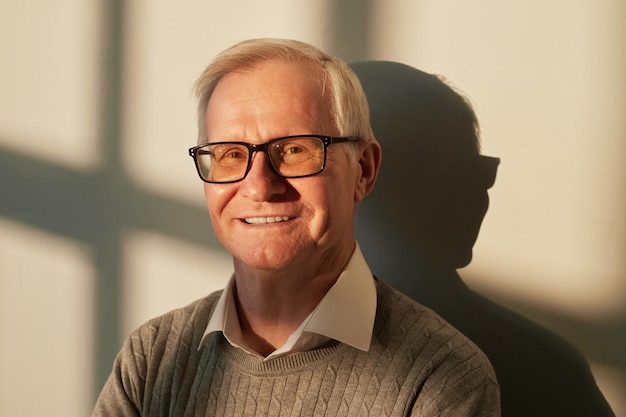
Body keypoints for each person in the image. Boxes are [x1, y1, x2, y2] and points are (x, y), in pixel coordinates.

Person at [92, 39, 500, 416]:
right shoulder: (152, 358)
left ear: (363, 170)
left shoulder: (442, 377)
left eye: (293, 150)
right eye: (231, 154)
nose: (259, 186)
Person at [352, 60, 616, 417]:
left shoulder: (542, 371)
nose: (475, 197)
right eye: (435, 180)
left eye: (478, 174)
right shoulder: (542, 369)